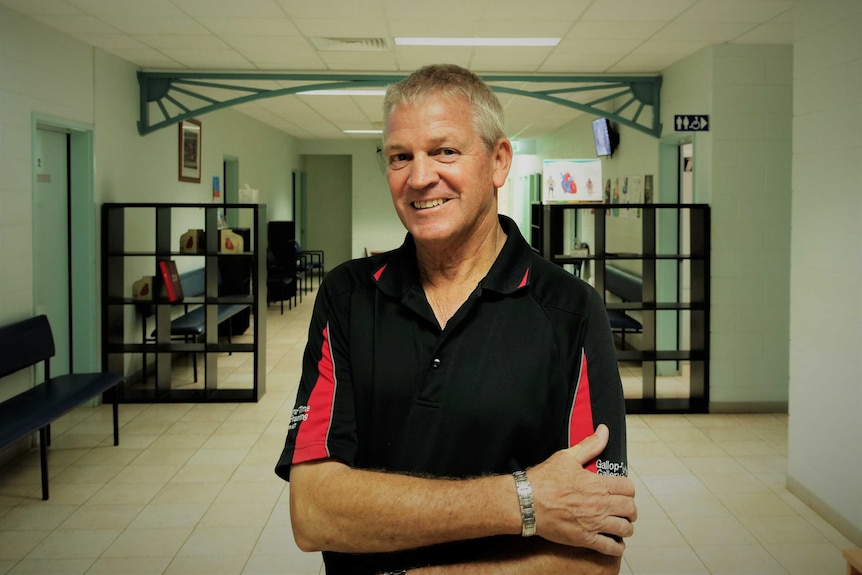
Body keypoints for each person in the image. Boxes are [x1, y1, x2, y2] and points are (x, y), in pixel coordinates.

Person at [275, 64, 636, 575]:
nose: (420, 178)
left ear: (498, 160)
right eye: (401, 157)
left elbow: (594, 552)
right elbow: (314, 513)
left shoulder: (570, 311)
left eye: (445, 150)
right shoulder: (348, 296)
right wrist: (526, 499)